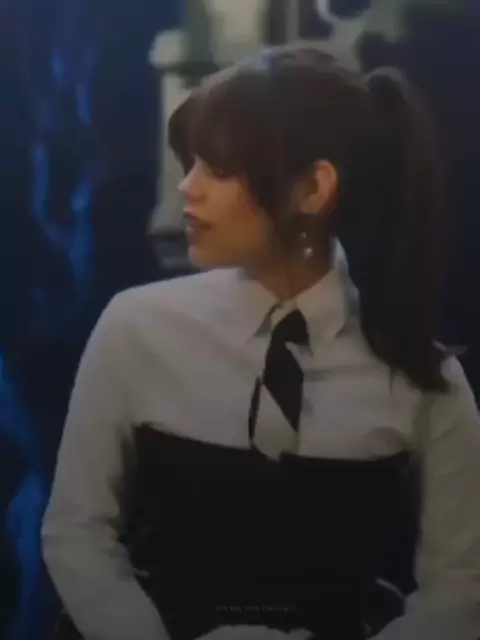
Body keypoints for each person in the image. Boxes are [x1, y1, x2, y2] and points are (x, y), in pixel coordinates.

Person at [42, 45, 480, 640]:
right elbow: (77, 532)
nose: (187, 188)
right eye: (191, 163)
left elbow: (460, 589)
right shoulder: (136, 326)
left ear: (313, 188)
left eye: (219, 170)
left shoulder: (422, 375)